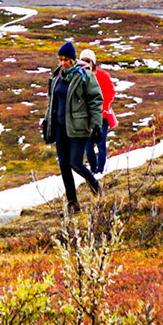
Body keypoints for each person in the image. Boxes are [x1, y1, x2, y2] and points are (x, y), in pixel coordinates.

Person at [41, 41, 103, 212]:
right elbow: (51, 102)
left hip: (78, 126)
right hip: (60, 127)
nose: (63, 63)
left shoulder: (84, 75)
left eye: (66, 59)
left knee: (75, 162)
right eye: (61, 59)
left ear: (73, 59)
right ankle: (72, 202)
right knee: (63, 164)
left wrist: (96, 126)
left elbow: (96, 100)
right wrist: (47, 122)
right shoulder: (57, 76)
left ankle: (95, 184)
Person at [79, 48, 116, 175]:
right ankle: (93, 170)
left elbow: (110, 92)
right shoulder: (78, 77)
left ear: (93, 62)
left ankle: (100, 171)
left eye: (87, 61)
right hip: (85, 118)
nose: (85, 64)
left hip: (101, 116)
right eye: (82, 61)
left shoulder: (103, 75)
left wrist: (102, 107)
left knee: (101, 143)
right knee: (88, 146)